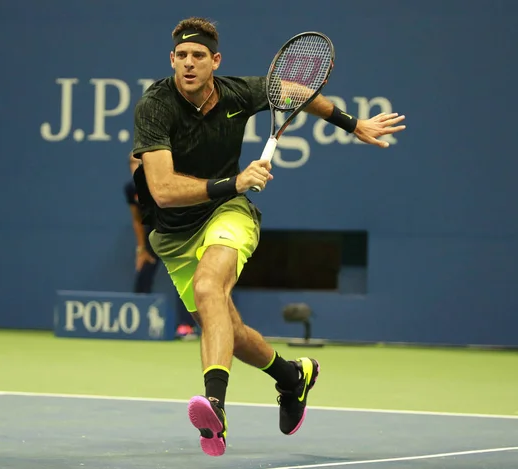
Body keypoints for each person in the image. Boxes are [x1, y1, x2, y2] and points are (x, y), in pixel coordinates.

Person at [131, 17, 406, 457]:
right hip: (174, 234)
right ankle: (291, 376)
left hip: (228, 215)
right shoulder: (155, 105)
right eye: (181, 56)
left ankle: (215, 406)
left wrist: (352, 124)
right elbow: (162, 191)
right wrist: (234, 181)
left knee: (209, 288)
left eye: (198, 56)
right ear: (171, 60)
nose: (188, 64)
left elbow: (295, 92)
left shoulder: (240, 92)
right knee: (230, 330)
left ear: (214, 61)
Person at [124, 154, 198, 338]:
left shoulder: (165, 183)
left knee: (183, 281)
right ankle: (138, 324)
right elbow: (137, 219)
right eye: (134, 163)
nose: (137, 166)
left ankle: (187, 327)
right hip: (152, 237)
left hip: (177, 234)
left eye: (141, 162)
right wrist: (141, 248)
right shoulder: (130, 188)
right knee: (143, 274)